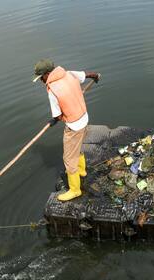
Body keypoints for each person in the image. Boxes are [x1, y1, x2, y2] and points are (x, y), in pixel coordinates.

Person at [33, 59, 100, 201]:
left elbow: (57, 115)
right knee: (78, 147)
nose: (41, 81)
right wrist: (95, 76)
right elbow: (85, 75)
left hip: (74, 125)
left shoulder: (52, 90)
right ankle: (82, 171)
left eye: (41, 77)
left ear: (47, 74)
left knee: (69, 159)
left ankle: (75, 190)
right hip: (84, 118)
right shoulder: (68, 74)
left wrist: (53, 121)